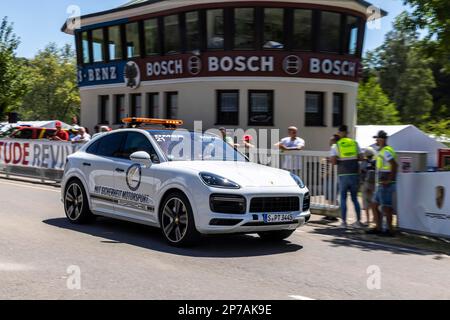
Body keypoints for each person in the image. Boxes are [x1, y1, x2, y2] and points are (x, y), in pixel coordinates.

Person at [330, 125, 363, 228]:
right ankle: (358, 222)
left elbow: (334, 161)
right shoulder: (354, 143)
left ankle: (344, 222)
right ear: (347, 132)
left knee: (343, 198)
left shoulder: (336, 145)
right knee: (355, 198)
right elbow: (361, 157)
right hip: (354, 174)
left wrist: (339, 160)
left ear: (339, 133)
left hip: (343, 174)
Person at [368, 131, 398, 237]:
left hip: (386, 184)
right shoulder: (382, 151)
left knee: (386, 207)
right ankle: (378, 228)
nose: (376, 140)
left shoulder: (386, 151)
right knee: (374, 205)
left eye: (377, 138)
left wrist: (389, 180)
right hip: (381, 183)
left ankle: (390, 230)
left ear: (382, 139)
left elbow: (394, 165)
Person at [360, 147, 376, 224]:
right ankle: (374, 218)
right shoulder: (375, 162)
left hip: (365, 183)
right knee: (373, 201)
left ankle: (367, 220)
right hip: (373, 184)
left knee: (366, 202)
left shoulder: (363, 163)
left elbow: (360, 172)